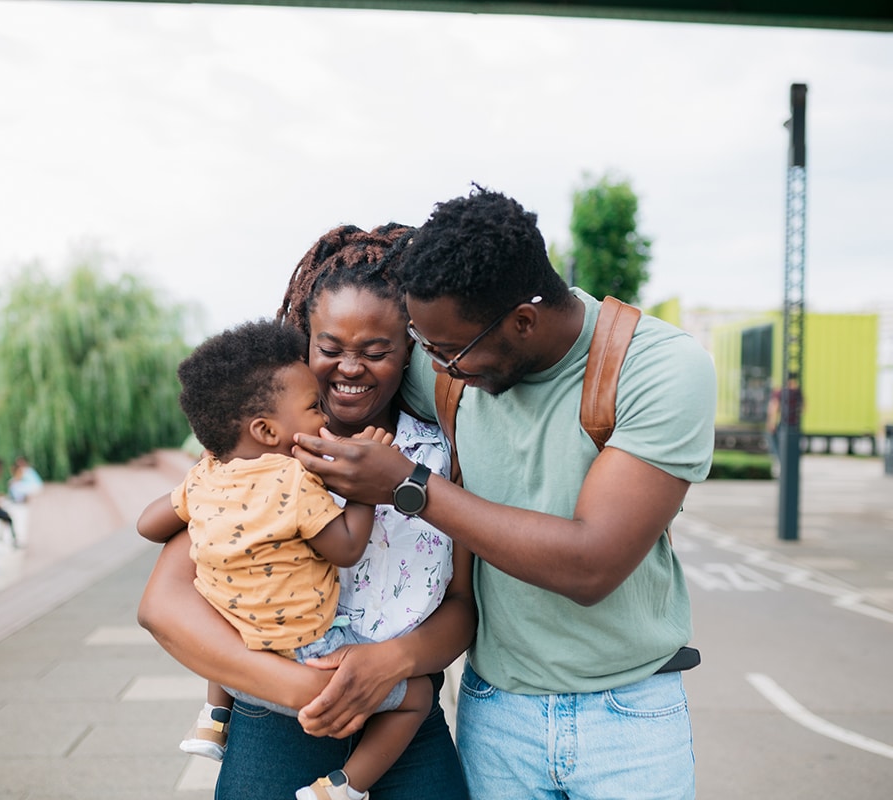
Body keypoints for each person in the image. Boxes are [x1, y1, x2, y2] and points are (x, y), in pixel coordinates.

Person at [292, 187, 717, 800]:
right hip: (496, 710)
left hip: (629, 717)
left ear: (523, 320)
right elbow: (335, 372)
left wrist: (410, 486)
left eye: (449, 352)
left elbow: (590, 564)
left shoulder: (658, 369)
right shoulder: (447, 358)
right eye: (422, 343)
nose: (434, 367)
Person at [137, 224, 473, 800]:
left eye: (376, 351)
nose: (350, 368)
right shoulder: (252, 455)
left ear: (409, 348)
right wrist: (310, 691)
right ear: (305, 342)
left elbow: (463, 607)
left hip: (406, 733)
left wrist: (389, 664)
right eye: (330, 348)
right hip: (274, 727)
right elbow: (163, 604)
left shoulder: (440, 452)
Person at [765, 376, 803, 476]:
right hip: (795, 425)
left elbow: (774, 407)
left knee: (776, 443)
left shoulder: (780, 392)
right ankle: (790, 467)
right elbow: (804, 407)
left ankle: (780, 462)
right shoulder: (798, 393)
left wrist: (771, 422)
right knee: (792, 448)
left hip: (783, 424)